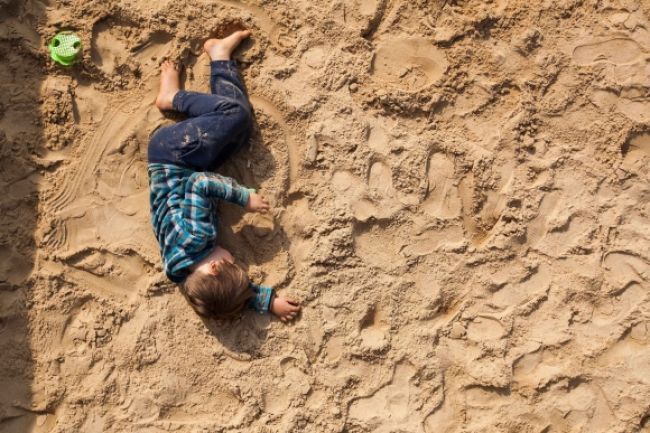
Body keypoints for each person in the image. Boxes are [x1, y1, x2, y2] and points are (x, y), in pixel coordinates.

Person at [147, 30, 300, 322]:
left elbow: (200, 183)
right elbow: (225, 296)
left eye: (233, 263)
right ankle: (219, 58)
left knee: (235, 116)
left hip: (174, 155)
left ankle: (173, 95)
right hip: (180, 164)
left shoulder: (197, 237)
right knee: (238, 136)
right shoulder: (181, 272)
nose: (234, 258)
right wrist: (268, 302)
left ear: (215, 268)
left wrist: (245, 199)